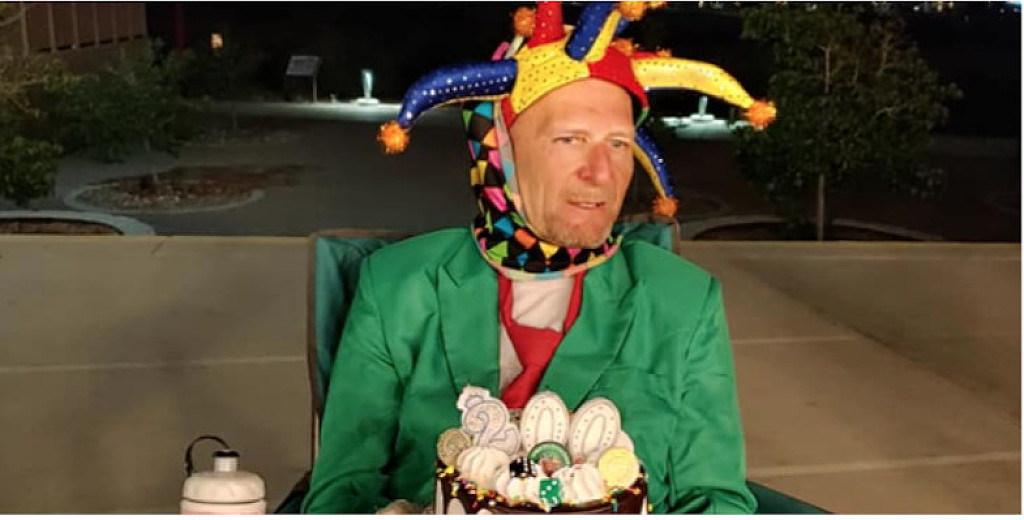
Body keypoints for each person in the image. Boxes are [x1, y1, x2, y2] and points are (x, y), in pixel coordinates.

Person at [302, 1, 775, 514]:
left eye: (618, 144)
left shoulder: (682, 300)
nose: (601, 173)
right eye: (570, 139)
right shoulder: (398, 286)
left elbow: (718, 498)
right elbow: (339, 495)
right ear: (500, 151)